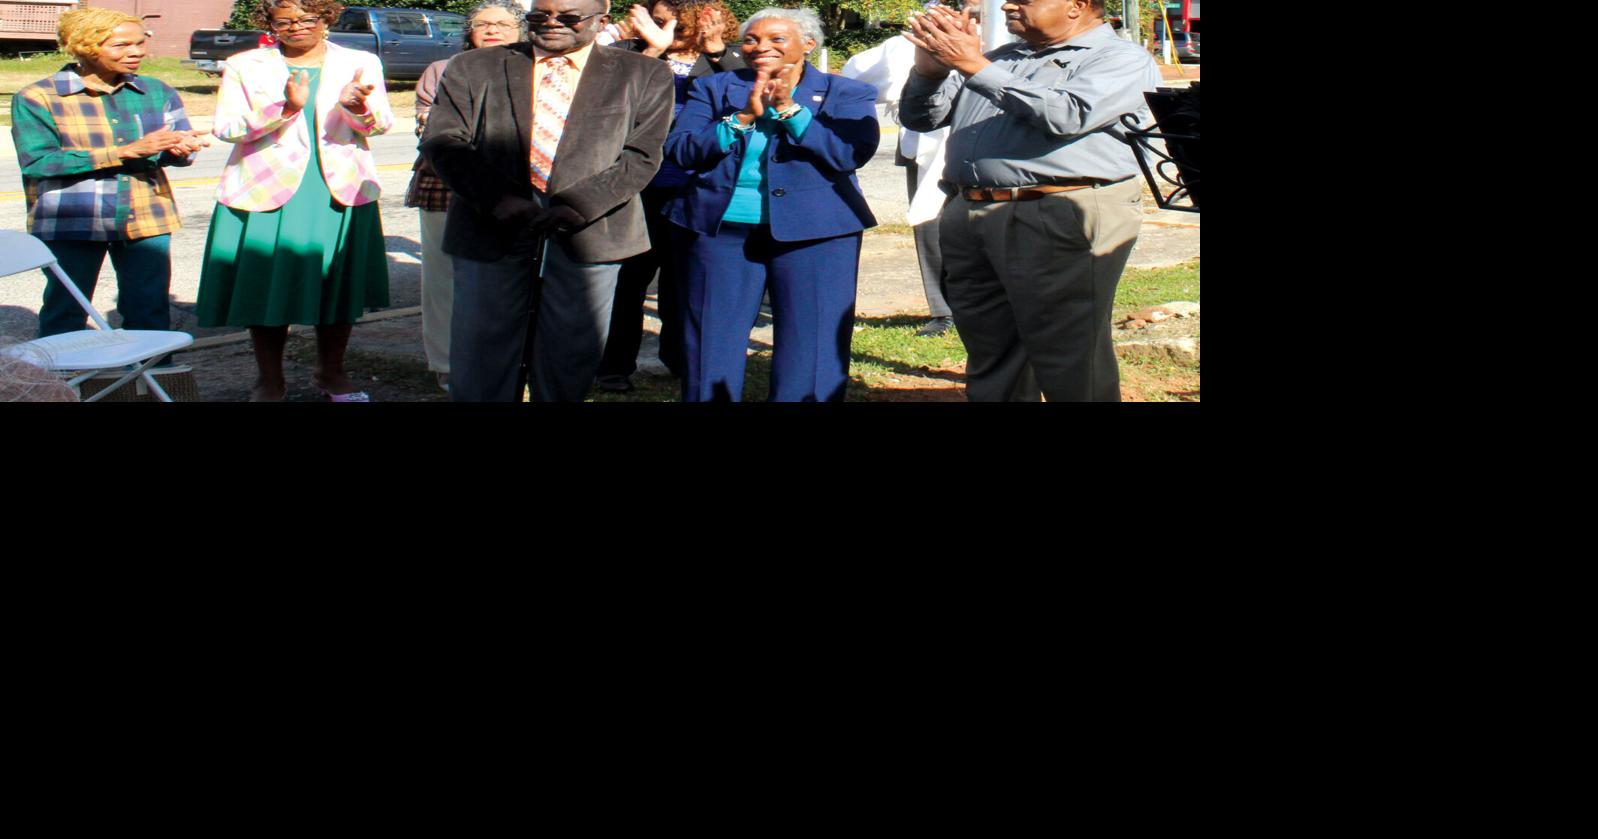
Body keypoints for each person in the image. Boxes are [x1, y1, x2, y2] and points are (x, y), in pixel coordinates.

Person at [900, 0, 1160, 402]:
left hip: (1057, 212)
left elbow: (1069, 114)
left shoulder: (1120, 58)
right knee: (991, 349)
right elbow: (923, 118)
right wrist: (929, 73)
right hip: (971, 211)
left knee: (1068, 354)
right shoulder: (1001, 59)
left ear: (1077, 6)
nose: (1007, 4)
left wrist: (975, 67)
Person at [420, 0, 674, 403]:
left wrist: (577, 205)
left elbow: (643, 154)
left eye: (569, 17)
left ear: (601, 21)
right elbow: (443, 140)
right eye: (540, 17)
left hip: (592, 228)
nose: (552, 24)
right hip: (491, 224)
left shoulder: (644, 73)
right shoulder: (476, 67)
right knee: (481, 348)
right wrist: (498, 199)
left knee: (570, 351)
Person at [662, 6, 879, 402]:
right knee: (711, 340)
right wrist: (742, 117)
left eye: (777, 39)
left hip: (818, 235)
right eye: (751, 39)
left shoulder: (847, 92)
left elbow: (849, 153)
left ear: (808, 45)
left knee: (810, 347)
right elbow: (681, 149)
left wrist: (790, 112)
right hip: (720, 231)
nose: (761, 47)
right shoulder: (715, 87)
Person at [194, 0, 394, 402]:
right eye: (283, 21)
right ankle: (269, 380)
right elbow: (227, 127)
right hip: (265, 186)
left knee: (336, 285)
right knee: (267, 286)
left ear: (326, 19)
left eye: (307, 19)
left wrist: (357, 108)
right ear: (269, 24)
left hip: (337, 186)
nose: (297, 27)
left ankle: (331, 372)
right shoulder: (244, 64)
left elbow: (381, 124)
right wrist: (285, 108)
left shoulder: (360, 61)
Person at [10, 6, 208, 342]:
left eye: (139, 43)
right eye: (121, 46)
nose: (136, 52)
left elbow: (168, 152)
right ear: (85, 47)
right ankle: (65, 388)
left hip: (146, 216)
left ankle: (152, 387)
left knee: (149, 309)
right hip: (71, 219)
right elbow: (39, 162)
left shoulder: (157, 91)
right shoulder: (38, 97)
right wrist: (122, 152)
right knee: (67, 309)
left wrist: (180, 150)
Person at [595, 0, 745, 393]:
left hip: (696, 186)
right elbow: (606, 103)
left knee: (686, 279)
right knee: (628, 279)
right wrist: (654, 50)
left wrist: (714, 52)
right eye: (662, 20)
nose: (673, 28)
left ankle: (681, 359)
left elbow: (748, 95)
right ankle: (613, 365)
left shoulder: (728, 59)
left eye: (683, 21)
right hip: (635, 186)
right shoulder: (630, 55)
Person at [405, 0, 528, 394]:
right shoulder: (443, 70)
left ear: (521, 30)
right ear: (468, 32)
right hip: (447, 183)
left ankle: (513, 358)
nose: (492, 29)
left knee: (512, 278)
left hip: (521, 186)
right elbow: (433, 130)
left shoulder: (536, 68)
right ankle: (446, 363)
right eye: (481, 23)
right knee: (444, 280)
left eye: (503, 24)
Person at [840, 5, 974, 338]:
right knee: (931, 227)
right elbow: (857, 72)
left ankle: (982, 305)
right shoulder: (909, 44)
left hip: (988, 145)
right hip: (929, 141)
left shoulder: (1013, 37)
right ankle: (943, 311)